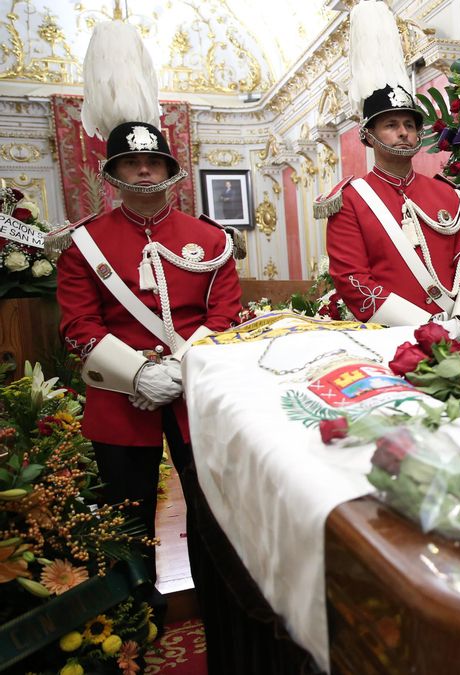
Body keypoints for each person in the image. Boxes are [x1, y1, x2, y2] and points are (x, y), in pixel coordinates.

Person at [52, 21, 242, 576]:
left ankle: (218, 607)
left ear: (169, 170)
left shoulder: (209, 238)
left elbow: (224, 313)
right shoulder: (84, 243)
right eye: (131, 163)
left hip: (196, 388)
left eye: (153, 162)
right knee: (125, 519)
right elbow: (79, 325)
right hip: (119, 395)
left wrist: (181, 370)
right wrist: (138, 374)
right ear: (112, 173)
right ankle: (138, 613)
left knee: (213, 512)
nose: (143, 170)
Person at [319, 0, 460, 338]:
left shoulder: (449, 195)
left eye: (409, 123)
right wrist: (427, 327)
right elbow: (353, 280)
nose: (404, 132)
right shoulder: (349, 200)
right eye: (391, 124)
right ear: (368, 136)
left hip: (458, 335)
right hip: (392, 340)